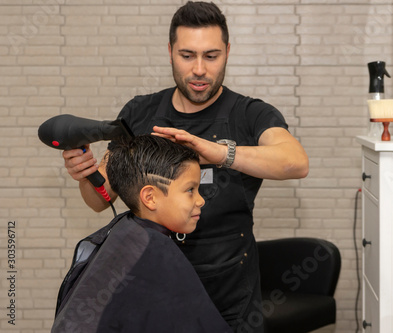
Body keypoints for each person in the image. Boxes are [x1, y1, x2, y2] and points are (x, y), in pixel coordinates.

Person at [62, 1, 309, 332]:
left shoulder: (250, 114)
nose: (199, 69)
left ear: (227, 51)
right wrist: (85, 173)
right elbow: (100, 199)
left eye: (211, 56)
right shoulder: (138, 113)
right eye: (187, 55)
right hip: (153, 284)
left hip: (231, 293)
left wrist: (217, 153)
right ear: (170, 51)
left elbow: (295, 163)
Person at [53, 135, 232, 333]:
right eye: (190, 190)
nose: (201, 201)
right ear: (150, 197)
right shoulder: (157, 250)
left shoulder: (127, 230)